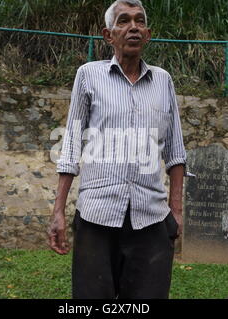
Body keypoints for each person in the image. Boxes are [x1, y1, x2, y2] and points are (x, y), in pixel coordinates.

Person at [48, 0, 190, 299]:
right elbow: (71, 144)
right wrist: (58, 211)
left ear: (148, 35)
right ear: (108, 35)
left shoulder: (163, 81)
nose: (133, 27)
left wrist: (176, 211)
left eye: (139, 21)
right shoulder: (88, 75)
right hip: (96, 216)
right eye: (124, 21)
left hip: (151, 217)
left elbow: (176, 152)